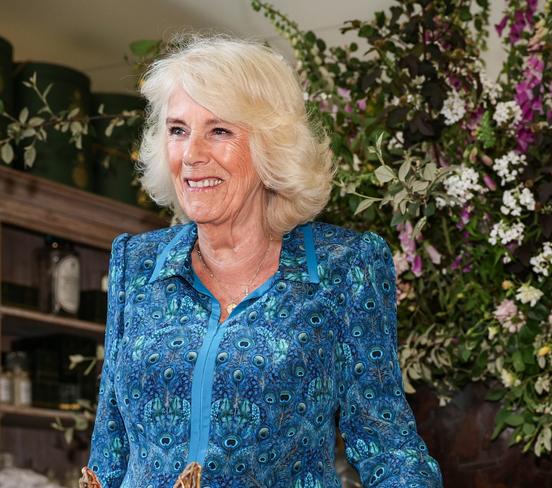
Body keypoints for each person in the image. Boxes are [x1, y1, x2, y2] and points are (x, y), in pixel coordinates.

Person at [81, 34, 444, 488]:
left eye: (220, 131)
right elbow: (109, 448)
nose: (192, 155)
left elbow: (389, 448)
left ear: (270, 145)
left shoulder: (342, 268)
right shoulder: (137, 264)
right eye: (178, 130)